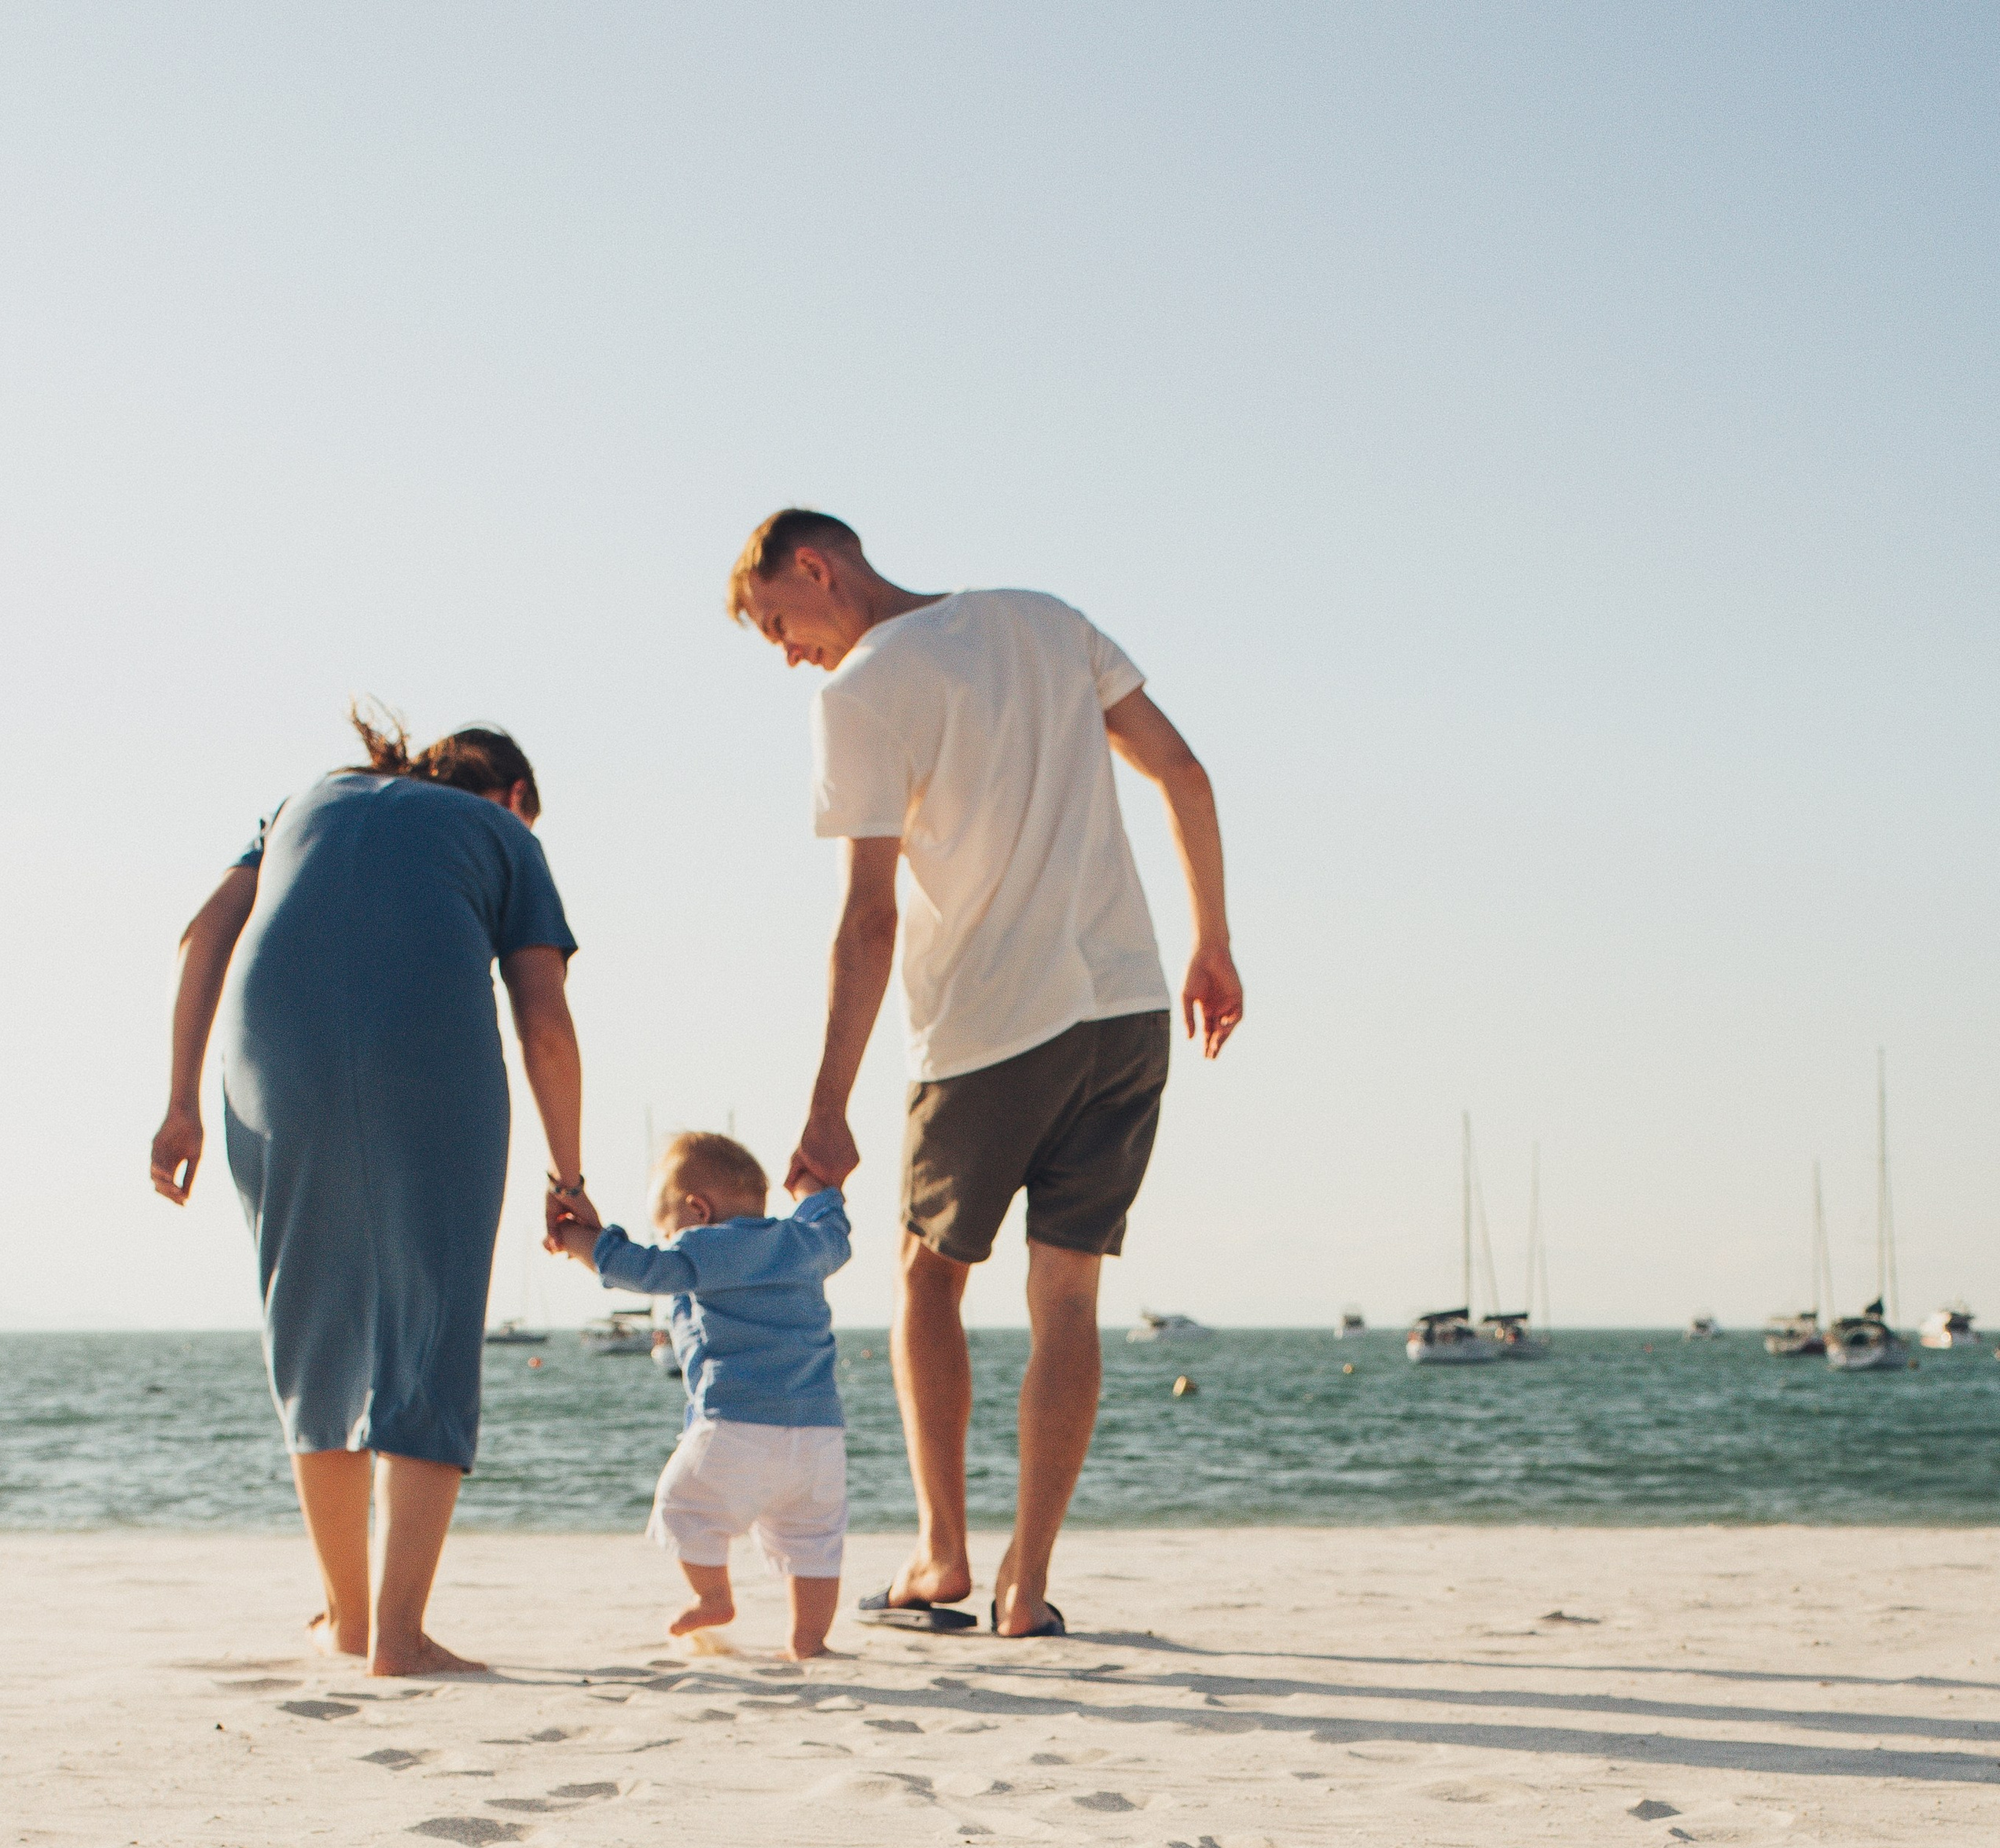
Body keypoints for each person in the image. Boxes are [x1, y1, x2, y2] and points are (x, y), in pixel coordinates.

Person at [727, 509, 1242, 1640]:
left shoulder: (858, 691)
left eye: (777, 621)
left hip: (987, 1026)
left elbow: (867, 922)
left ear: (816, 567)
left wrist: (826, 1104)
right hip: (1127, 1008)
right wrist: (1213, 941)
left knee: (927, 1277)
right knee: (1067, 1295)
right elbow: (1184, 771)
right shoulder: (1043, 621)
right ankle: (1028, 1582)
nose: (785, 652)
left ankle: (942, 1554)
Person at [149, 708, 594, 1674]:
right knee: (429, 1323)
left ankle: (347, 1619)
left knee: (313, 1326)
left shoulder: (300, 802)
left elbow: (202, 938)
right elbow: (544, 1020)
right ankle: (399, 1634)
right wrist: (569, 1177)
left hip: (272, 1054)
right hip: (426, 1055)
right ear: (516, 795)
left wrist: (180, 1103)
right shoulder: (504, 834)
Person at [550, 1132, 851, 1660]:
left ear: (698, 1211)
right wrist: (814, 1188)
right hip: (820, 1433)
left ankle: (712, 1597)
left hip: (737, 1421)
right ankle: (810, 1638)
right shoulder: (805, 1242)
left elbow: (644, 1269)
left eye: (668, 1232)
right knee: (812, 1539)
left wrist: (579, 1242)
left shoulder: (708, 1245)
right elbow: (834, 1226)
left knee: (683, 1505)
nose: (670, 1244)